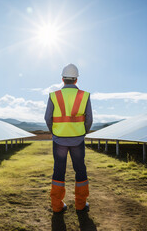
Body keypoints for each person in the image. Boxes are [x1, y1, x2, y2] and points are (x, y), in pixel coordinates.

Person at [44, 63, 93, 214]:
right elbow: (89, 119)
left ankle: (57, 206)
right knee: (80, 170)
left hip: (59, 140)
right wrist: (82, 133)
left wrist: (55, 133)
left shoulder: (54, 96)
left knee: (59, 171)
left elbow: (47, 118)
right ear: (76, 80)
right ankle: (80, 204)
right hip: (78, 140)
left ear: (63, 79)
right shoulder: (84, 95)